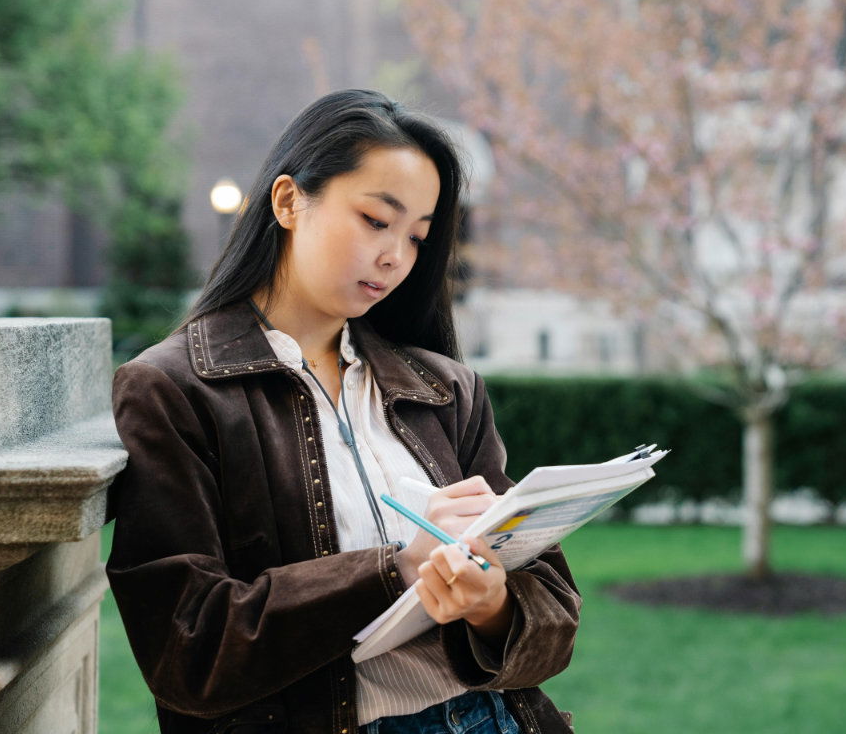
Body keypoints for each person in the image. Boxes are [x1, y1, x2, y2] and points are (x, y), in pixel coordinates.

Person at [106, 89, 580, 734]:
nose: (395, 256)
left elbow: (555, 616)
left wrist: (490, 603)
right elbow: (188, 649)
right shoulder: (172, 390)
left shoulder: (445, 389)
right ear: (288, 202)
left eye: (417, 236)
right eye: (375, 220)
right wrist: (398, 569)